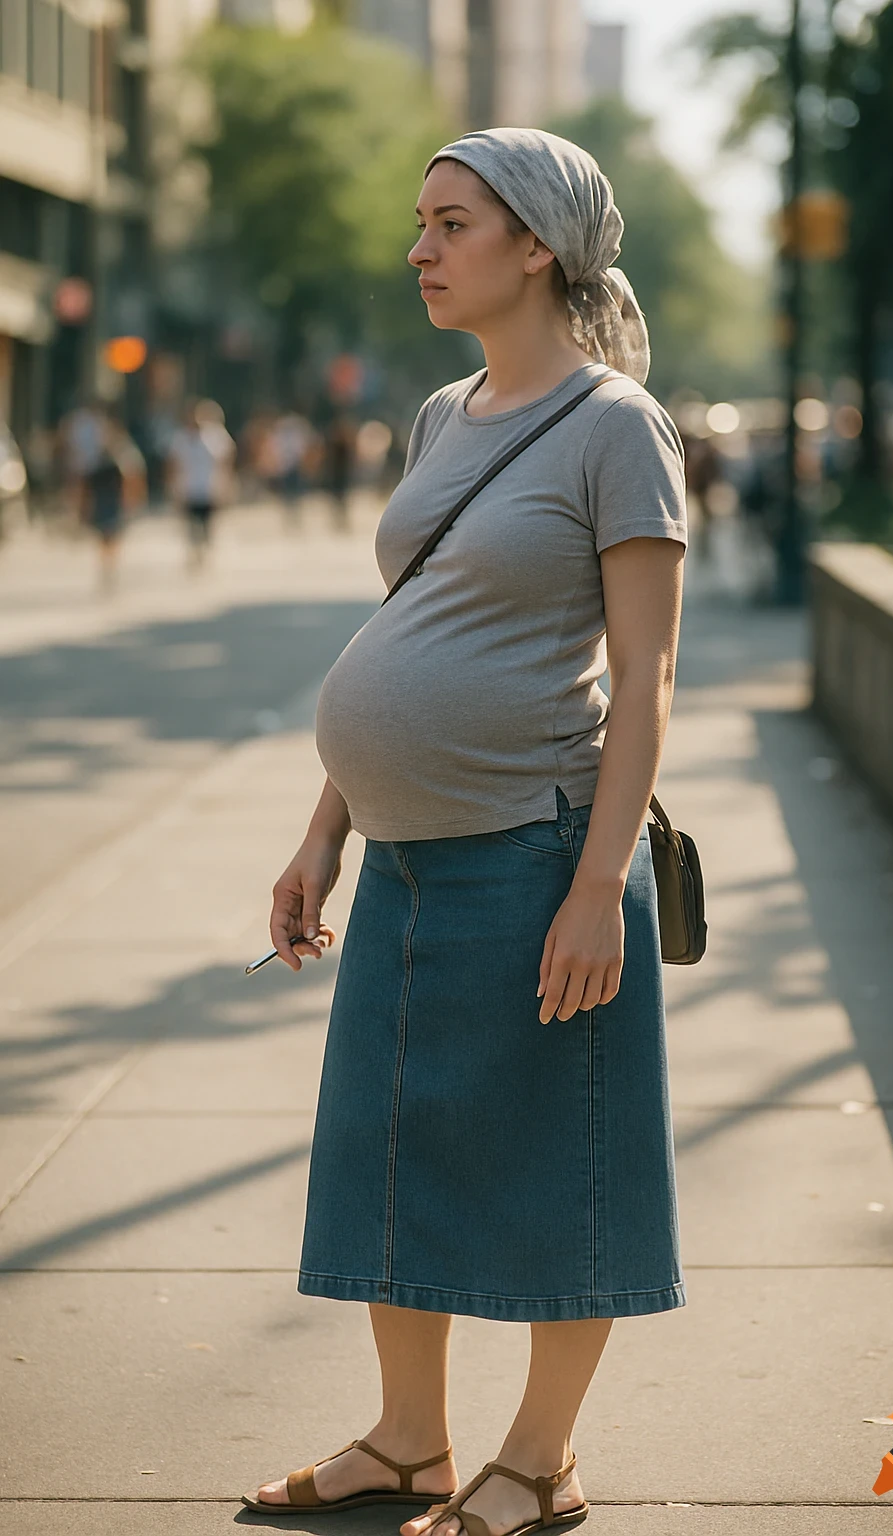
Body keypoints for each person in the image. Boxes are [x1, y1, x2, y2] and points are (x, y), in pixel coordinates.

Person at [243, 127, 688, 1536]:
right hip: (408, 858)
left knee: (566, 1159)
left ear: (536, 246)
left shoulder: (620, 427)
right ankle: (408, 1442)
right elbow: (407, 625)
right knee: (391, 1148)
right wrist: (328, 828)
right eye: (420, 223)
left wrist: (597, 887)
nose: (419, 249)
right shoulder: (448, 415)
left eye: (450, 224)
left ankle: (539, 1459)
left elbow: (650, 676)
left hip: (537, 850)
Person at [78, 407, 146, 591]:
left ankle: (110, 565)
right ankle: (106, 565)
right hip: (101, 499)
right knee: (103, 536)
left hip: (115, 500)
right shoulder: (95, 454)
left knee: (112, 535)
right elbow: (86, 481)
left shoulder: (125, 453)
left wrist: (131, 500)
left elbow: (132, 478)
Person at [166, 399, 235, 568]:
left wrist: (226, 484)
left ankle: (203, 550)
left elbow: (227, 459)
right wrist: (173, 487)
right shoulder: (181, 439)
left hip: (208, 488)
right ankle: (194, 552)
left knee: (206, 524)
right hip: (188, 489)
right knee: (191, 525)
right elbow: (173, 464)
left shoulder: (214, 437)